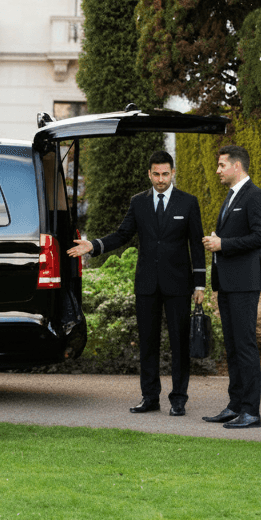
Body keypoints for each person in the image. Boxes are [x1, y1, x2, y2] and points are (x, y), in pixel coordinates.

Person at [67, 150, 206, 416]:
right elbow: (122, 234)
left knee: (179, 344)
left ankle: (178, 399)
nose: (161, 179)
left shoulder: (188, 202)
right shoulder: (138, 202)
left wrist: (200, 284)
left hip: (178, 285)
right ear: (149, 174)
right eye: (156, 174)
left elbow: (196, 246)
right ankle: (150, 397)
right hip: (146, 285)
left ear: (173, 173)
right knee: (148, 343)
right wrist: (93, 245)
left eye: (165, 174)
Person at [201, 144, 261, 430]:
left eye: (222, 165)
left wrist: (223, 244)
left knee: (244, 346)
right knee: (232, 347)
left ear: (237, 166)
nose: (218, 170)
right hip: (227, 284)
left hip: (244, 284)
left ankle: (251, 412)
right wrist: (218, 240)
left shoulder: (255, 196)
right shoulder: (231, 196)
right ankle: (235, 406)